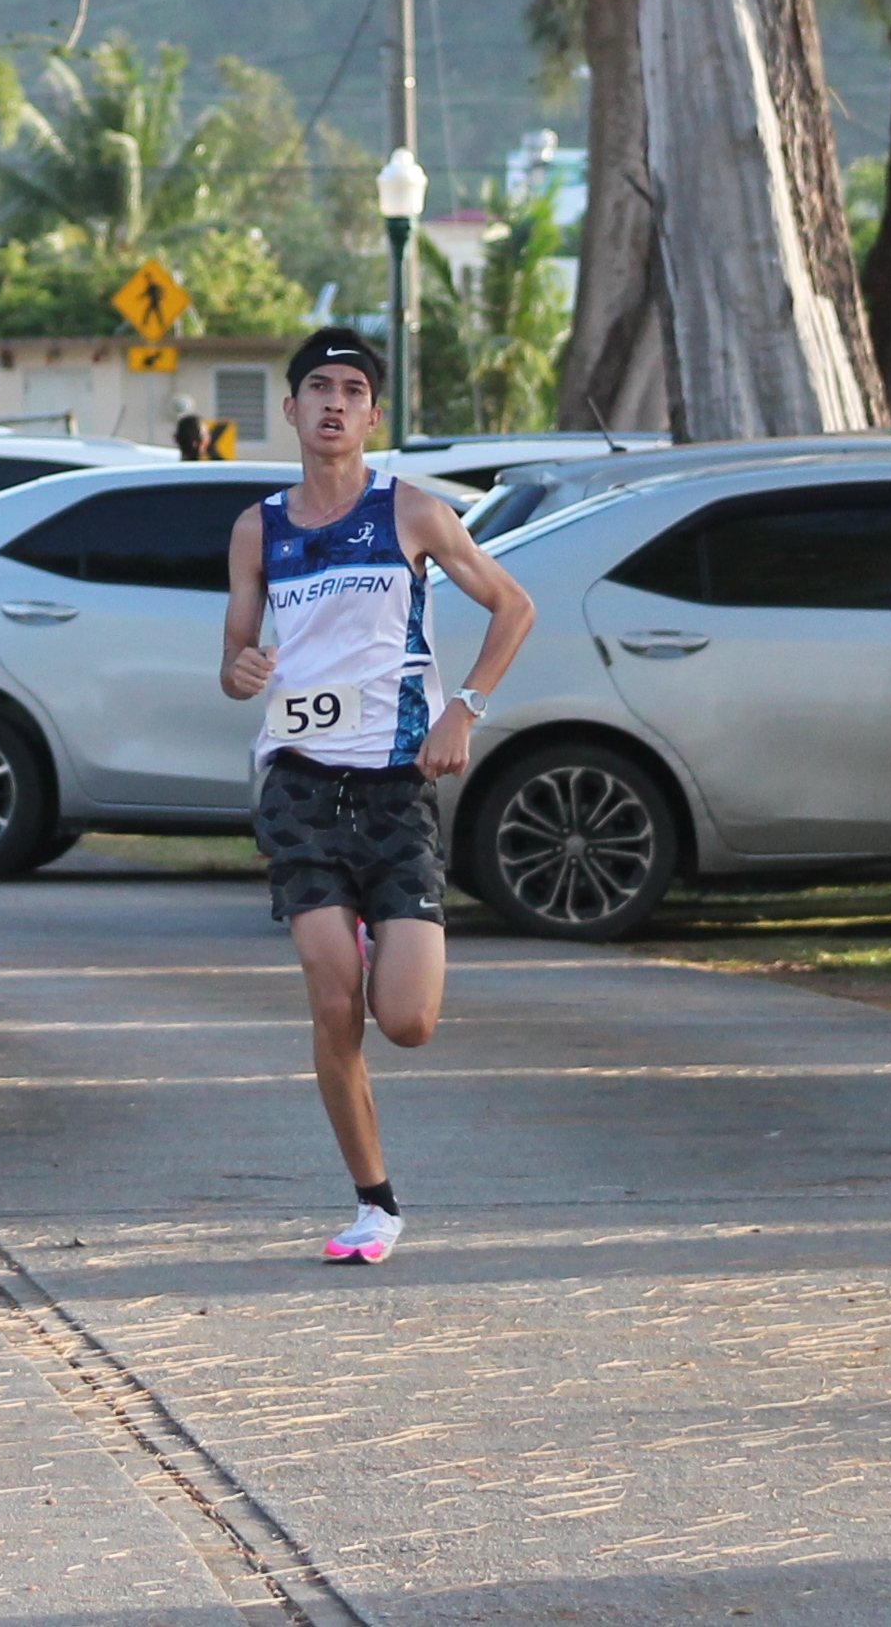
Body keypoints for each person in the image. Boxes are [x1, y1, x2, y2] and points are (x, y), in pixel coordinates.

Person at [221, 327, 534, 1263]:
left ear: (372, 414)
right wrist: (244, 669)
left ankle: (377, 935)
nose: (332, 403)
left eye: (352, 390)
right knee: (331, 1006)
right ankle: (373, 1204)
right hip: (301, 785)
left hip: (397, 786)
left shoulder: (414, 514)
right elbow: (235, 662)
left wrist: (464, 709)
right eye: (317, 387)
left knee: (408, 1021)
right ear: (290, 409)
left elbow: (513, 606)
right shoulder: (257, 528)